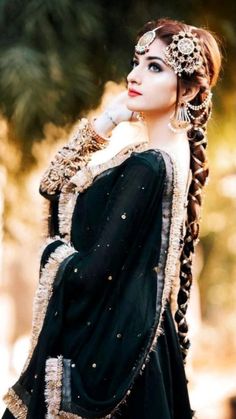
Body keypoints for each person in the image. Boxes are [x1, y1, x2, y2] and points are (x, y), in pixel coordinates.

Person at [2, 17, 221, 419]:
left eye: (155, 67)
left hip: (114, 358)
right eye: (137, 61)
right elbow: (55, 186)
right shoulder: (172, 158)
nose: (134, 75)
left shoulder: (150, 165)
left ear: (188, 90)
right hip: (149, 351)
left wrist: (54, 254)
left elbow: (89, 270)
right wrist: (112, 119)